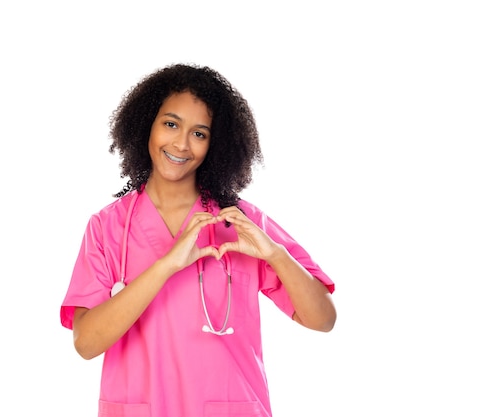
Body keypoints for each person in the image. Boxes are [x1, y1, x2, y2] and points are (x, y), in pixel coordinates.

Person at [60, 63, 336, 417]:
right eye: (171, 124)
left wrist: (276, 255)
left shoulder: (242, 222)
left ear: (215, 145)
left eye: (200, 133)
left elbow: (323, 319)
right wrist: (165, 265)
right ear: (147, 124)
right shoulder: (108, 227)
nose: (181, 144)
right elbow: (86, 343)